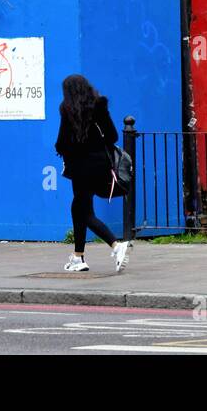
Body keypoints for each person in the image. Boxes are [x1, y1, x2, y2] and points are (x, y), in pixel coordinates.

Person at [54, 74, 131, 273]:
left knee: (83, 211)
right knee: (79, 206)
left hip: (80, 167)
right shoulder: (100, 105)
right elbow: (113, 135)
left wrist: (67, 148)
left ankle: (116, 245)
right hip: (101, 164)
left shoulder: (67, 109)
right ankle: (78, 257)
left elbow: (63, 142)